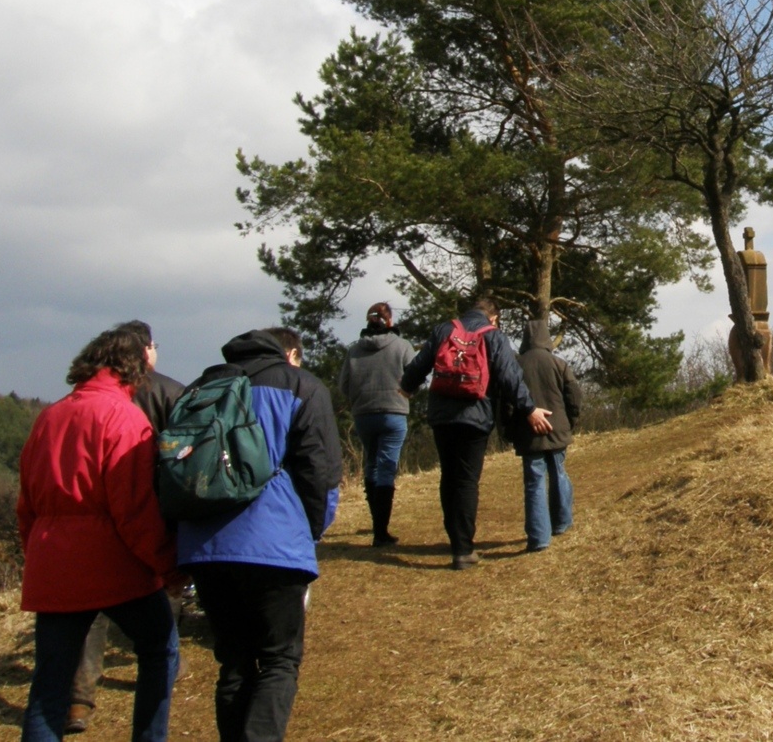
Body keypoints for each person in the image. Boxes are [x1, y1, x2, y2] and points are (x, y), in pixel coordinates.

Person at [17, 327, 182, 742]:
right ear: (136, 364)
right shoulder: (125, 417)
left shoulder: (49, 416)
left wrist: (37, 558)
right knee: (160, 650)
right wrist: (168, 567)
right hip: (113, 565)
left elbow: (26, 507)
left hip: (52, 561)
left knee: (49, 685)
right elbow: (135, 512)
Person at [177, 326, 341, 742]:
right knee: (279, 661)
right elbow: (318, 470)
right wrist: (312, 530)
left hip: (205, 543)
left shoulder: (198, 388)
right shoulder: (301, 385)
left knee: (233, 663)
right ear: (290, 353)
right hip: (274, 540)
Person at [67, 320, 188, 735]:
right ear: (145, 352)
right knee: (158, 599)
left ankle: (80, 700)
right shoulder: (171, 391)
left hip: (87, 516)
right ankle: (162, 672)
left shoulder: (78, 402)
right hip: (149, 508)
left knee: (92, 611)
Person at [402, 297, 552, 570]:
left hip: (442, 415)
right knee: (467, 480)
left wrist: (406, 386)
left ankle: (456, 540)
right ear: (493, 318)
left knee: (449, 476)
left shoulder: (444, 329)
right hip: (475, 416)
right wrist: (528, 409)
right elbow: (509, 377)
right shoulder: (493, 335)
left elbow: (420, 363)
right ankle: (463, 549)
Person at [336, 302, 416, 547]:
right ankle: (381, 531)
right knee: (386, 467)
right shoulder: (402, 346)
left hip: (363, 414)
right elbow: (416, 377)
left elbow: (343, 386)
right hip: (394, 411)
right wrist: (406, 392)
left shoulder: (354, 350)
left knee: (371, 463)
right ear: (389, 321)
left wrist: (359, 399)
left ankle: (376, 526)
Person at [514, 319, 583, 552]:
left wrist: (509, 431)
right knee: (559, 473)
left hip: (528, 430)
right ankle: (562, 523)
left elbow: (506, 401)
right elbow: (574, 396)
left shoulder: (515, 365)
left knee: (534, 482)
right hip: (557, 428)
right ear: (546, 337)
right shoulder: (558, 363)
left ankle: (539, 538)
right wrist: (569, 422)